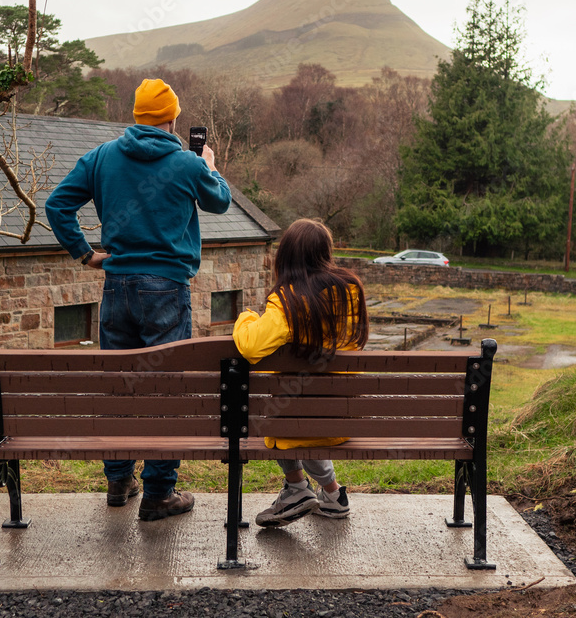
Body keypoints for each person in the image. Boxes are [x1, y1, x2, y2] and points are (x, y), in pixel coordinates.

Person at [45, 77, 232, 521]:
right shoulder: (187, 164)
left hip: (117, 288)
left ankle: (118, 479)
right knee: (165, 390)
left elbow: (57, 205)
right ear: (171, 119)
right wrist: (208, 165)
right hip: (166, 288)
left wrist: (86, 254)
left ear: (136, 115)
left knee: (119, 385)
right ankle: (159, 493)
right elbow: (221, 202)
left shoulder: (103, 157)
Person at [231, 218, 369, 527]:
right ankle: (332, 495)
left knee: (286, 413)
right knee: (304, 412)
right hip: (340, 420)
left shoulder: (288, 301)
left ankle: (296, 487)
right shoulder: (350, 291)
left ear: (286, 257)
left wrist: (247, 316)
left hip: (292, 422)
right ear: (325, 252)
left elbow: (251, 347)